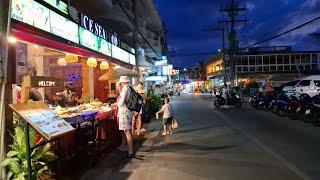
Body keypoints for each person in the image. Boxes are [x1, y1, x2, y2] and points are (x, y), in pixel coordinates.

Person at [117, 76, 134, 158]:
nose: (120, 84)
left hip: (125, 112)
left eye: (120, 83)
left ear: (123, 82)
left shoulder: (125, 88)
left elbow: (121, 102)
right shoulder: (130, 87)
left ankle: (130, 151)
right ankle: (130, 148)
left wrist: (117, 104)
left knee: (127, 132)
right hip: (129, 112)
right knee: (129, 131)